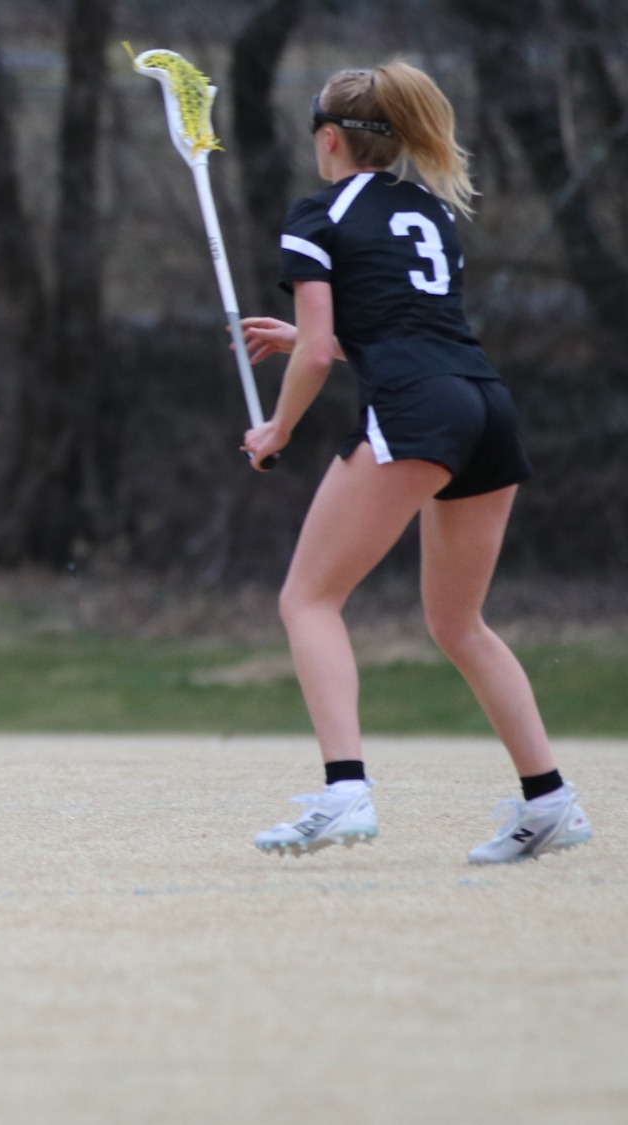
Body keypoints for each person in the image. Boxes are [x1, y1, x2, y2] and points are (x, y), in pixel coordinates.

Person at [238, 62, 590, 864]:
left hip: (418, 409)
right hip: (485, 403)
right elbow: (402, 319)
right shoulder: (428, 208)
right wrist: (311, 340)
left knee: (309, 599)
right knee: (458, 622)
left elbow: (323, 350)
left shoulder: (317, 215)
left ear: (327, 137)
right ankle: (551, 801)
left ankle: (343, 791)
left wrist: (277, 430)